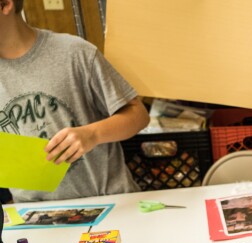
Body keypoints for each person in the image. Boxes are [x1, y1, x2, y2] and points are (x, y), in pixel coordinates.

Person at [0, 0, 149, 202]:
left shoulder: (75, 53)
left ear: (5, 5)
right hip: (34, 217)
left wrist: (92, 134)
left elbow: (138, 115)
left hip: (109, 204)